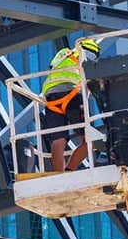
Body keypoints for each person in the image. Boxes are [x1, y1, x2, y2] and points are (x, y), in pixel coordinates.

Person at [40, 37, 101, 172]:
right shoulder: (86, 54)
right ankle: (69, 170)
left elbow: (52, 67)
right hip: (72, 94)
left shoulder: (63, 54)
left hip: (51, 98)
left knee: (58, 141)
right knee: (89, 140)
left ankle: (58, 174)